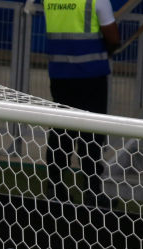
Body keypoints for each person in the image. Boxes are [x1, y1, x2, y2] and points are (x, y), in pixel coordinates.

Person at [42, 0, 121, 206]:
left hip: (60, 74)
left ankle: (55, 188)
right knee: (91, 135)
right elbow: (113, 37)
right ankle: (92, 192)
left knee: (61, 133)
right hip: (91, 74)